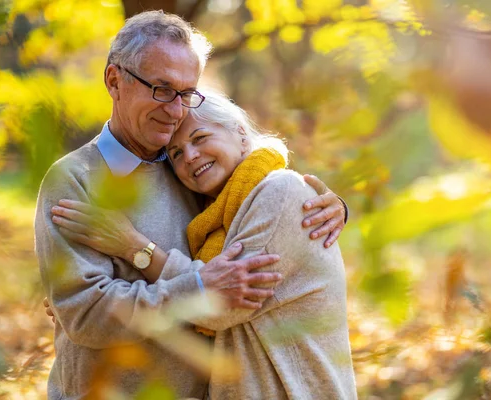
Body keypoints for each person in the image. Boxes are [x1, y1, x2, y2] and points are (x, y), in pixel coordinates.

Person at [35, 10, 348, 400]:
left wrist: (332, 204)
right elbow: (87, 315)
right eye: (162, 89)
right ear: (115, 81)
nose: (175, 110)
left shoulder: (191, 177)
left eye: (186, 93)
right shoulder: (74, 180)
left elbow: (263, 203)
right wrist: (197, 288)